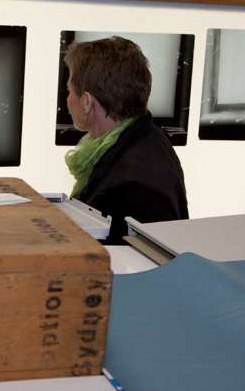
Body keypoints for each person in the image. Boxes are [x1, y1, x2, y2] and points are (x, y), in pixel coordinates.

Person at [64, 36, 188, 244]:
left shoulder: (133, 185)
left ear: (87, 102)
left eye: (69, 90)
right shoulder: (145, 136)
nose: (67, 99)